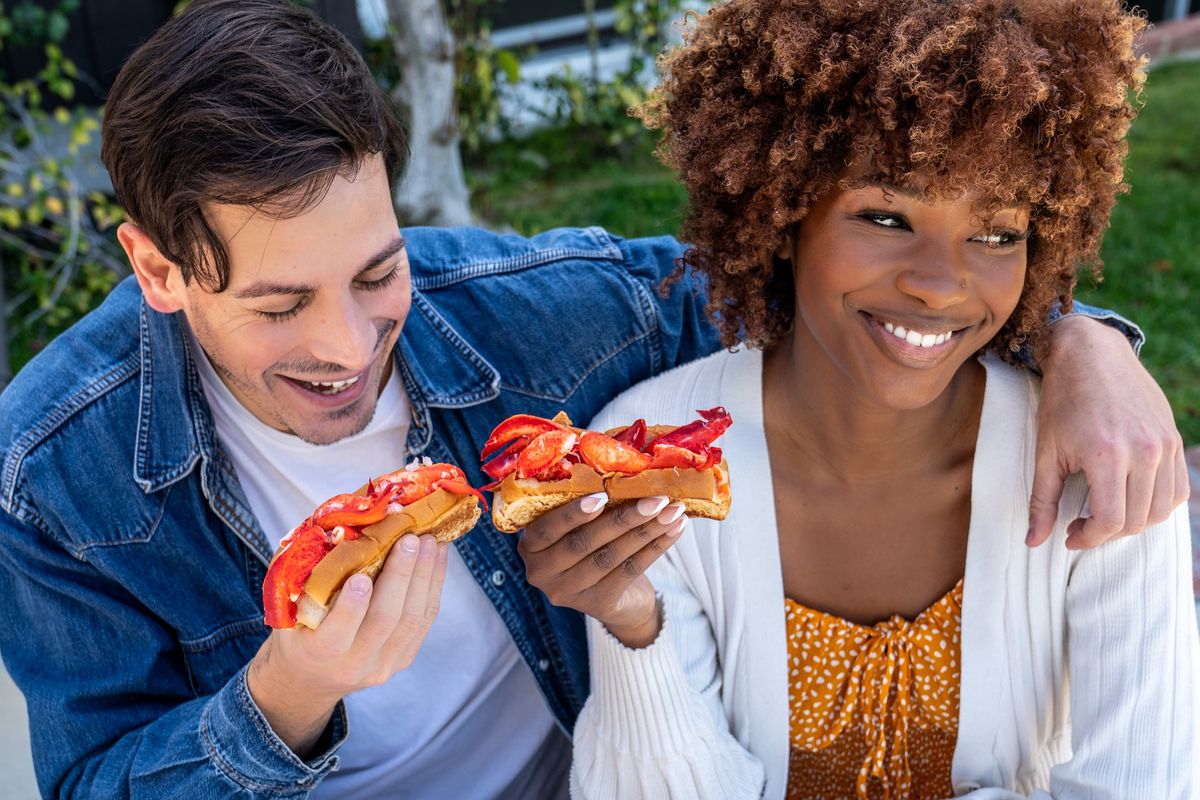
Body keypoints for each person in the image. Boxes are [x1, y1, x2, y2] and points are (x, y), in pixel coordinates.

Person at [0, 0, 1186, 798]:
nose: (348, 345)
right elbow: (92, 778)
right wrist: (290, 691)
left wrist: (1081, 336)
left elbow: (828, 290)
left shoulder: (554, 315)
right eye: (277, 305)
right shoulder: (52, 471)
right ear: (154, 266)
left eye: (377, 272)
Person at [520, 1, 1200, 798]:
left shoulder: (1103, 462)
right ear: (782, 210)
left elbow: (1145, 784)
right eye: (885, 216)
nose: (940, 284)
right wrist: (635, 627)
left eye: (997, 234)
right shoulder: (655, 461)